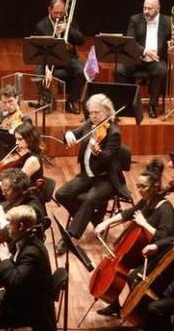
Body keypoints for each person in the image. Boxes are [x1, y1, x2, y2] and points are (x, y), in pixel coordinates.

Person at [93, 159, 174, 317]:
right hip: (142, 249)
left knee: (133, 277)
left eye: (143, 187)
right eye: (138, 186)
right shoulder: (147, 201)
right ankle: (114, 305)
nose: (139, 190)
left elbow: (167, 238)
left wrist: (144, 224)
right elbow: (129, 213)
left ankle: (140, 318)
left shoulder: (165, 210)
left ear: (155, 187)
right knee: (112, 260)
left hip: (157, 254)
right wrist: (106, 222)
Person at [54, 93, 128, 255]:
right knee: (61, 194)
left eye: (97, 112)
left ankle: (70, 237)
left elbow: (107, 159)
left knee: (89, 199)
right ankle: (92, 218)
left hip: (106, 178)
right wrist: (69, 135)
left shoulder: (113, 132)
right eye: (91, 112)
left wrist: (97, 151)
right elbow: (76, 132)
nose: (93, 116)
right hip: (88, 174)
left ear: (107, 112)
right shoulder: (90, 124)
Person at [115, 0, 174, 118]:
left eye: (150, 9)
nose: (146, 12)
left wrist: (172, 46)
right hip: (138, 58)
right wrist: (145, 51)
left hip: (156, 60)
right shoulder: (135, 19)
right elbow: (131, 42)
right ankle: (127, 103)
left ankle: (152, 105)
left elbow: (172, 41)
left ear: (158, 8)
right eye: (144, 8)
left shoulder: (168, 21)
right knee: (119, 69)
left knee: (162, 70)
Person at [32, 0, 85, 114]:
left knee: (81, 71)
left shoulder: (69, 21)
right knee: (37, 73)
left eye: (61, 13)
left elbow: (81, 41)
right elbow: (38, 50)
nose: (58, 16)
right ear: (49, 10)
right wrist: (46, 67)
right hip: (48, 59)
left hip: (68, 58)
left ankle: (71, 101)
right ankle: (47, 100)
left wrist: (69, 29)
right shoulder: (41, 26)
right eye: (56, 13)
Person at [0, 122, 44, 206]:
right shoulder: (23, 152)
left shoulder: (32, 160)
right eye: (16, 139)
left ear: (30, 139)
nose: (16, 143)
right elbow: (3, 163)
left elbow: (15, 187)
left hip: (25, 196)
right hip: (17, 188)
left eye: (20, 139)